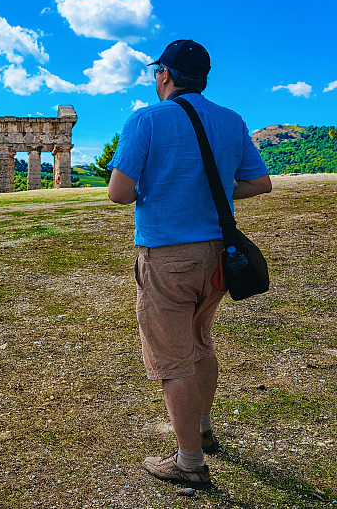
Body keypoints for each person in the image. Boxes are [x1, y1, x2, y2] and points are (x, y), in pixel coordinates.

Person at [107, 39, 272, 489]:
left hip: (166, 256)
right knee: (201, 340)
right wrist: (213, 190)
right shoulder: (232, 120)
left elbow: (119, 193)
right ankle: (203, 427)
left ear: (165, 75)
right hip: (219, 254)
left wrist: (164, 190)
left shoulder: (145, 120)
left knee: (172, 357)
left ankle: (189, 462)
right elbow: (260, 183)